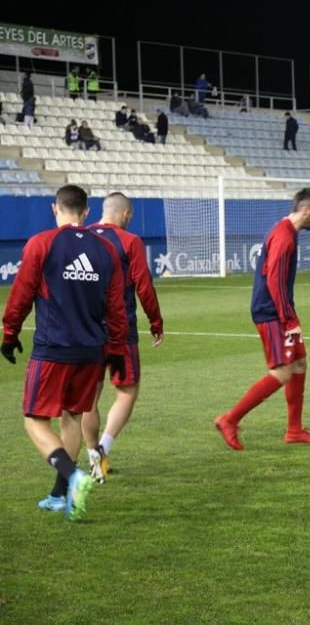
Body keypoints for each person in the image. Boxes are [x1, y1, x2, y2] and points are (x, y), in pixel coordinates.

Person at [2, 184, 128, 521]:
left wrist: (9, 333)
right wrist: (116, 349)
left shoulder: (42, 243)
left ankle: (72, 476)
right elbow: (116, 307)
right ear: (86, 212)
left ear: (54, 208)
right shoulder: (106, 249)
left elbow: (22, 293)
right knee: (72, 415)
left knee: (33, 420)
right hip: (91, 351)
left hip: (53, 349)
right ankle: (60, 495)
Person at [214, 188, 310, 450]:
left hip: (281, 310)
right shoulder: (284, 237)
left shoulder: (288, 232)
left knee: (299, 363)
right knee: (281, 372)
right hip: (272, 313)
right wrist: (288, 320)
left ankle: (294, 430)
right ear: (306, 210)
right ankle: (230, 420)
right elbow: (274, 281)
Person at [83, 192, 164, 482]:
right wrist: (155, 321)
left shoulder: (82, 236)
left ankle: (93, 455)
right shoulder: (130, 242)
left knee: (89, 400)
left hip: (86, 331)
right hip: (120, 332)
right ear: (127, 214)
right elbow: (143, 285)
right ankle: (102, 450)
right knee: (127, 392)